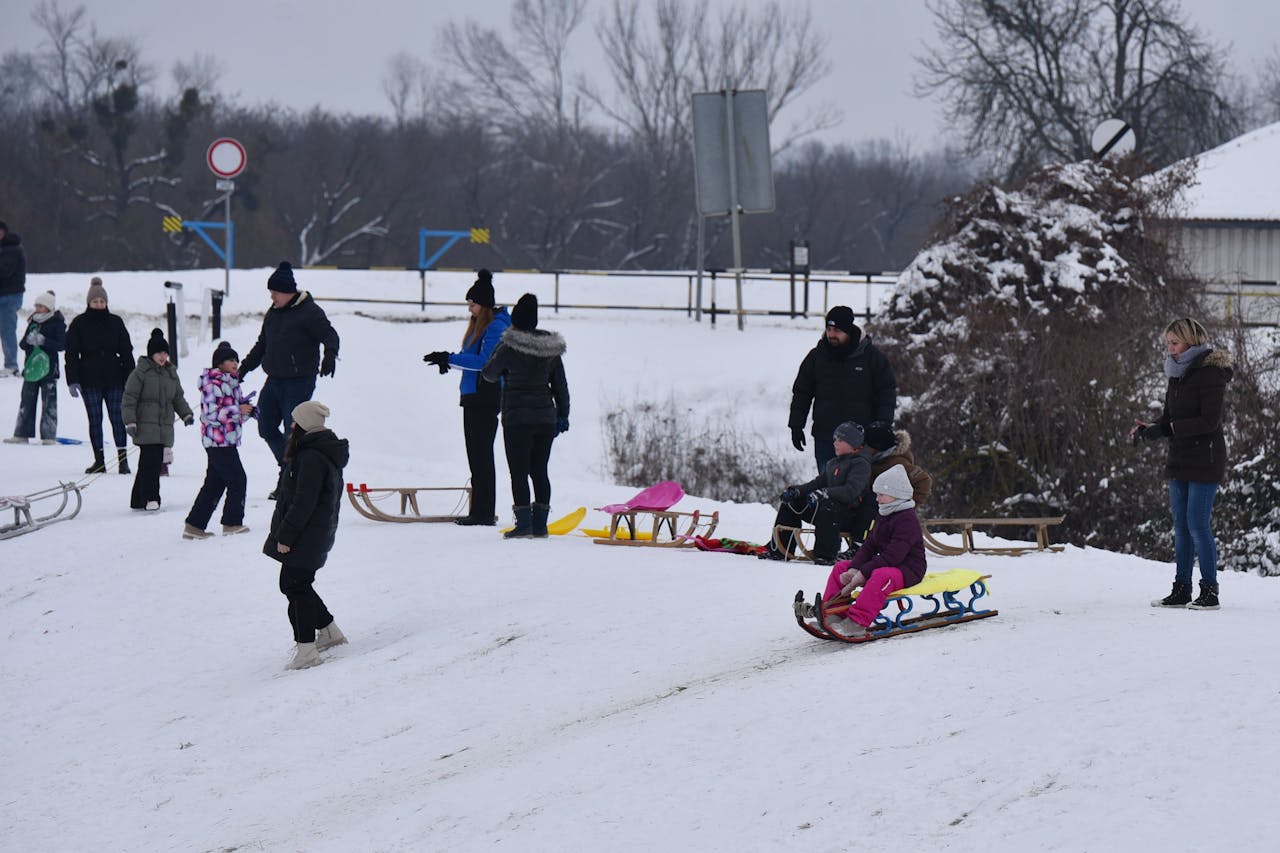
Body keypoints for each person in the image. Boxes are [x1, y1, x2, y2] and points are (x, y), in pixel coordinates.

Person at [1131, 317, 1233, 611]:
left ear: (1190, 341)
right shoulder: (1176, 374)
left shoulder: (1211, 373)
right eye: (1168, 344)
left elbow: (1209, 421)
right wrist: (1149, 429)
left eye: (1174, 343)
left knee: (1198, 525)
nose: (1171, 349)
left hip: (1206, 458)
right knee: (1181, 526)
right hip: (1180, 458)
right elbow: (1168, 419)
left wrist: (1172, 428)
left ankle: (1210, 591)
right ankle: (1182, 588)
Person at [238, 261, 339, 493]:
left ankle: (290, 481)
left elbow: (329, 334)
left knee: (291, 431)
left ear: (286, 291)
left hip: (299, 381)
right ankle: (287, 470)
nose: (272, 297)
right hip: (274, 380)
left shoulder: (309, 312)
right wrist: (242, 370)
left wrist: (330, 355)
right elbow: (262, 345)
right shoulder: (273, 314)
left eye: (274, 293)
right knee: (265, 427)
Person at [264, 401, 349, 671]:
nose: (291, 427)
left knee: (294, 586)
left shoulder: (311, 456)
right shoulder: (316, 452)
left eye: (294, 422)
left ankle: (307, 650)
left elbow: (303, 503)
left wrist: (286, 537)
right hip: (314, 533)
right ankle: (329, 631)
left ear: (304, 425)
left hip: (306, 535)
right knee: (297, 583)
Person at [423, 268, 512, 526]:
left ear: (483, 304)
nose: (469, 309)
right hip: (473, 395)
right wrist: (449, 362)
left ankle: (483, 513)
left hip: (486, 395)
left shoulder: (495, 327)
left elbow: (485, 362)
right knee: (475, 454)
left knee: (481, 454)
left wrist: (450, 358)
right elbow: (472, 360)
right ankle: (479, 510)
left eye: (472, 304)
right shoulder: (480, 325)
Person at [480, 293, 569, 539]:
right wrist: (563, 415)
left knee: (518, 472)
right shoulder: (550, 349)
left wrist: (500, 347)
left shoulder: (509, 346)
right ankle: (540, 526)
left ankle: (524, 524)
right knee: (540, 470)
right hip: (545, 418)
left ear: (516, 321)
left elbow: (488, 373)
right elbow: (560, 385)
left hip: (517, 418)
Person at [821, 464, 928, 639]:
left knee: (881, 576)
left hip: (909, 569)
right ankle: (833, 614)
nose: (877, 499)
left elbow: (895, 555)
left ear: (896, 495)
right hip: (889, 565)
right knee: (841, 568)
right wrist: (855, 568)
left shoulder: (907, 519)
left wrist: (864, 572)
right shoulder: (884, 513)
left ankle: (857, 622)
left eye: (881, 495)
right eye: (876, 494)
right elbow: (870, 545)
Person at [788, 306, 897, 472]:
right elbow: (802, 392)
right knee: (827, 488)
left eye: (837, 330)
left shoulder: (871, 358)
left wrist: (882, 424)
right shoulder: (816, 357)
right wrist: (796, 425)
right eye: (829, 329)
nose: (832, 334)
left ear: (848, 330)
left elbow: (886, 392)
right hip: (826, 438)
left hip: (860, 440)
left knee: (855, 491)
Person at [760, 420, 873, 565]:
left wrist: (823, 493)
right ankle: (780, 549)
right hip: (825, 513)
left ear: (853, 443)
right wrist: (797, 491)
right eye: (834, 439)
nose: (835, 443)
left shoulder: (860, 464)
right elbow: (816, 483)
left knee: (829, 504)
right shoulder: (833, 463)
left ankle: (825, 554)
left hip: (848, 516)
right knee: (791, 503)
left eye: (840, 440)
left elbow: (850, 491)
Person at [183, 341, 256, 540]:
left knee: (215, 483)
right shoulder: (211, 385)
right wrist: (236, 410)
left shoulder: (233, 384)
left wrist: (248, 411)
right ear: (220, 363)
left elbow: (234, 415)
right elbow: (211, 416)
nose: (235, 363)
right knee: (238, 479)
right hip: (217, 442)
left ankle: (194, 526)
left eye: (236, 360)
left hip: (228, 440)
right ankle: (232, 523)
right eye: (230, 360)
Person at [64, 277, 136, 473]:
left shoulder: (116, 322)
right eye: (95, 301)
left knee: (117, 418)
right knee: (95, 419)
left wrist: (131, 376)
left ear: (106, 302)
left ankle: (123, 462)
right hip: (89, 379)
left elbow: (127, 351)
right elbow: (71, 353)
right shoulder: (79, 323)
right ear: (89, 302)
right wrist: (73, 380)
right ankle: (100, 461)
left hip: (115, 378)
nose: (99, 304)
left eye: (102, 301)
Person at [122, 329, 193, 511]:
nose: (162, 357)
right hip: (145, 426)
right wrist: (130, 421)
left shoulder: (170, 373)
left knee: (148, 463)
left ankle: (137, 499)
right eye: (158, 353)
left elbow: (177, 397)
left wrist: (186, 414)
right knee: (151, 463)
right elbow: (129, 399)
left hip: (163, 426)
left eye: (165, 353)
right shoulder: (140, 373)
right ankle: (152, 498)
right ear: (151, 354)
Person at [844, 423, 934, 551]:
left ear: (877, 447)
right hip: (873, 509)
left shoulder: (898, 464)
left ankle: (860, 545)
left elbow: (924, 481)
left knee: (871, 501)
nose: (862, 448)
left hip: (886, 511)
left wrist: (907, 505)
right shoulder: (870, 461)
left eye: (865, 445)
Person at [4, 291, 65, 445]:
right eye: (37, 305)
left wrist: (44, 341)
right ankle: (21, 434)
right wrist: (29, 341)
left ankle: (48, 436)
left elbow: (61, 345)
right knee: (26, 402)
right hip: (31, 370)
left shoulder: (57, 323)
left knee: (49, 404)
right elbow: (22, 344)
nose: (38, 308)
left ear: (49, 307)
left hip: (50, 370)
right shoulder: (33, 322)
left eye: (41, 306)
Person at [0, 219, 27, 378]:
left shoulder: (12, 249)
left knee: (7, 330)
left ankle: (11, 365)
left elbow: (4, 271)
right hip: (4, 295)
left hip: (9, 296)